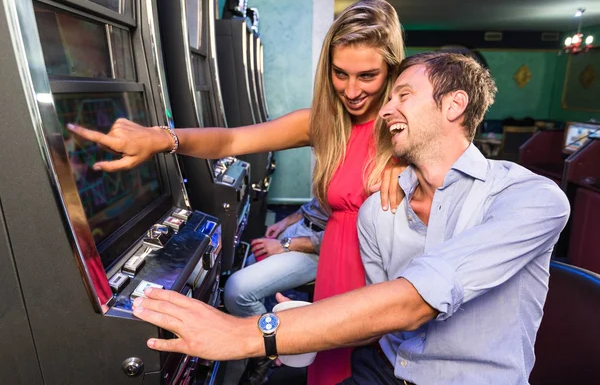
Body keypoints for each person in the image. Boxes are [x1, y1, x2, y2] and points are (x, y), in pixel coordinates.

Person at [129, 52, 570, 384]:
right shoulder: (379, 208)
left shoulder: (528, 197)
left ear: (454, 105)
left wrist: (247, 333)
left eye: (403, 95)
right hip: (379, 369)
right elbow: (381, 319)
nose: (383, 109)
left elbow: (415, 302)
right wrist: (308, 321)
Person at [68, 0, 405, 384]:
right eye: (340, 73)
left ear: (393, 71)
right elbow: (230, 141)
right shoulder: (324, 123)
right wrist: (162, 139)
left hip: (380, 280)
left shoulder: (405, 133)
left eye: (367, 76)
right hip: (335, 264)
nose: (351, 90)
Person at [225, 198, 328, 384]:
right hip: (302, 228)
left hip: (321, 245)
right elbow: (316, 205)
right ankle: (262, 337)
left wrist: (285, 245)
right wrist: (286, 222)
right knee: (250, 264)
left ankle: (267, 351)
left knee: (237, 290)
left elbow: (346, 232)